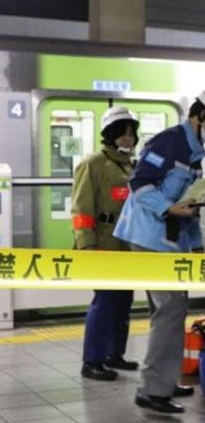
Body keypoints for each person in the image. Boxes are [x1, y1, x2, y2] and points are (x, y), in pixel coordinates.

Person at [114, 86, 205, 414]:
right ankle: (153, 390)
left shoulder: (195, 155)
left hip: (170, 242)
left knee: (173, 309)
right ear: (201, 115)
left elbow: (190, 206)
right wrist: (169, 207)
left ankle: (164, 381)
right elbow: (140, 184)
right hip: (147, 236)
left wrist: (197, 246)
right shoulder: (169, 141)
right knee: (170, 309)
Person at [72, 106, 139, 382]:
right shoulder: (93, 164)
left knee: (124, 301)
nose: (127, 139)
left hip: (127, 244)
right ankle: (92, 361)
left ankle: (114, 355)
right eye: (122, 133)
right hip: (103, 244)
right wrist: (87, 245)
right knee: (105, 301)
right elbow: (80, 209)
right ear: (109, 135)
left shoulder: (133, 166)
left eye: (131, 134)